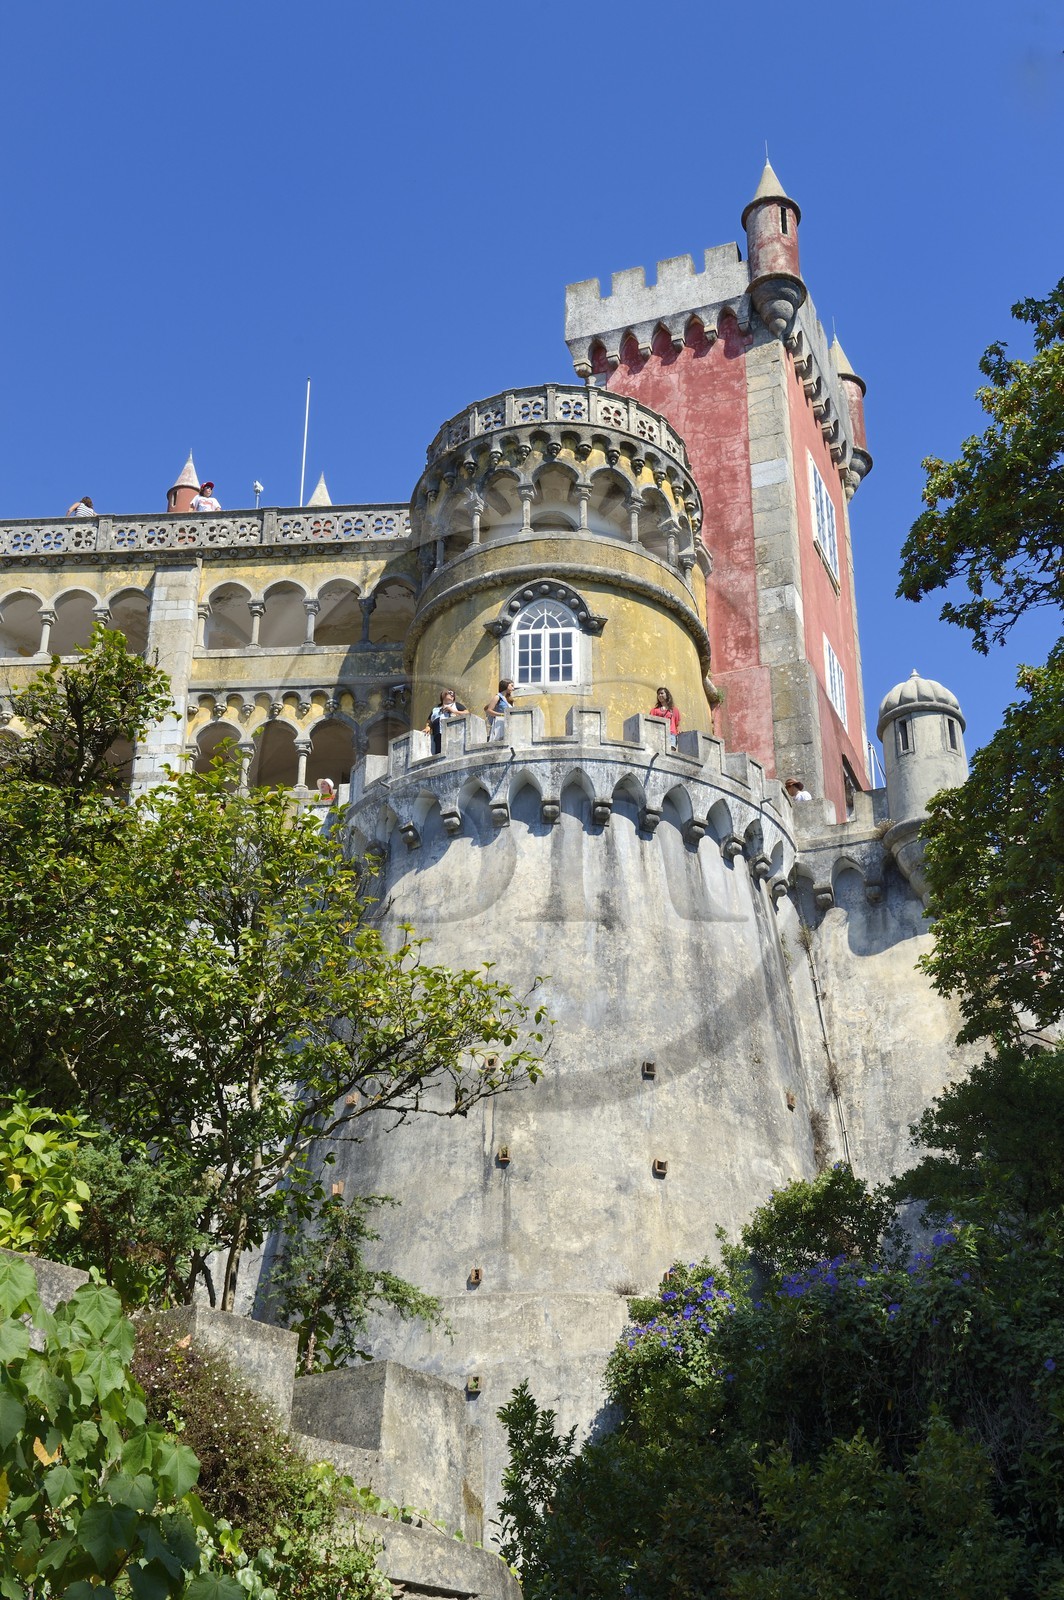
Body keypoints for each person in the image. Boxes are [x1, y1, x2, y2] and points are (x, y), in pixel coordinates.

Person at [423, 688, 468, 754]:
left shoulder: (456, 705)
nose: (452, 695)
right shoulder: (435, 709)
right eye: (450, 693)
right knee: (438, 752)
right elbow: (429, 721)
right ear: (443, 694)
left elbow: (467, 713)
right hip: (438, 734)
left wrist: (453, 711)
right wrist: (428, 727)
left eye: (453, 694)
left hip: (452, 733)